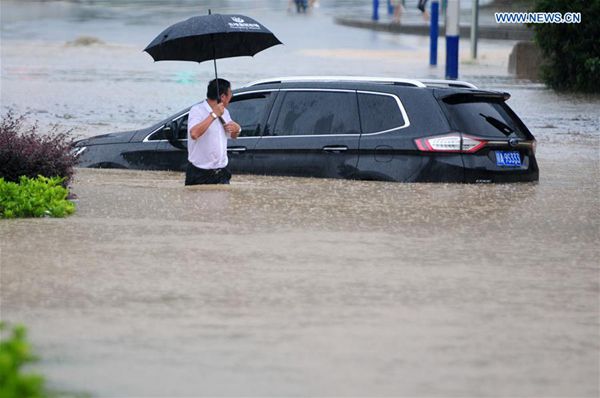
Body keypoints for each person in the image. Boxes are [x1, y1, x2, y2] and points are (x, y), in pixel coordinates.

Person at [185, 78, 241, 185]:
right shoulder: (197, 110)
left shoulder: (225, 112)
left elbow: (233, 135)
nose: (231, 96)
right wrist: (213, 115)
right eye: (230, 93)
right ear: (223, 97)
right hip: (200, 173)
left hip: (222, 173)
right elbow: (194, 134)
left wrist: (238, 129)